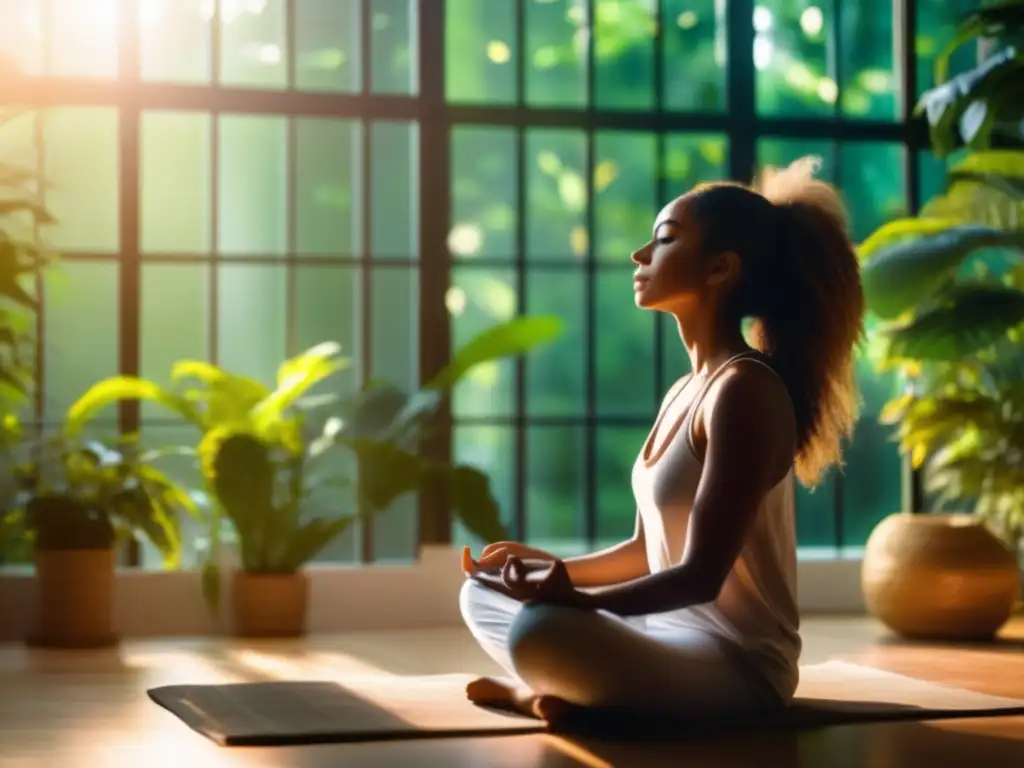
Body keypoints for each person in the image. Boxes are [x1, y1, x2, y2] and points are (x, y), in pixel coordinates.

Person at [458, 156, 866, 726]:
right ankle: (587, 695)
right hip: (658, 638)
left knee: (540, 627)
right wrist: (548, 568)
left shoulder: (744, 391)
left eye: (665, 239)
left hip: (736, 667)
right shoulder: (685, 391)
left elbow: (700, 575)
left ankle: (572, 694)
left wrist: (574, 602)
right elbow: (644, 552)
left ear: (720, 269)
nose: (639, 255)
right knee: (482, 595)